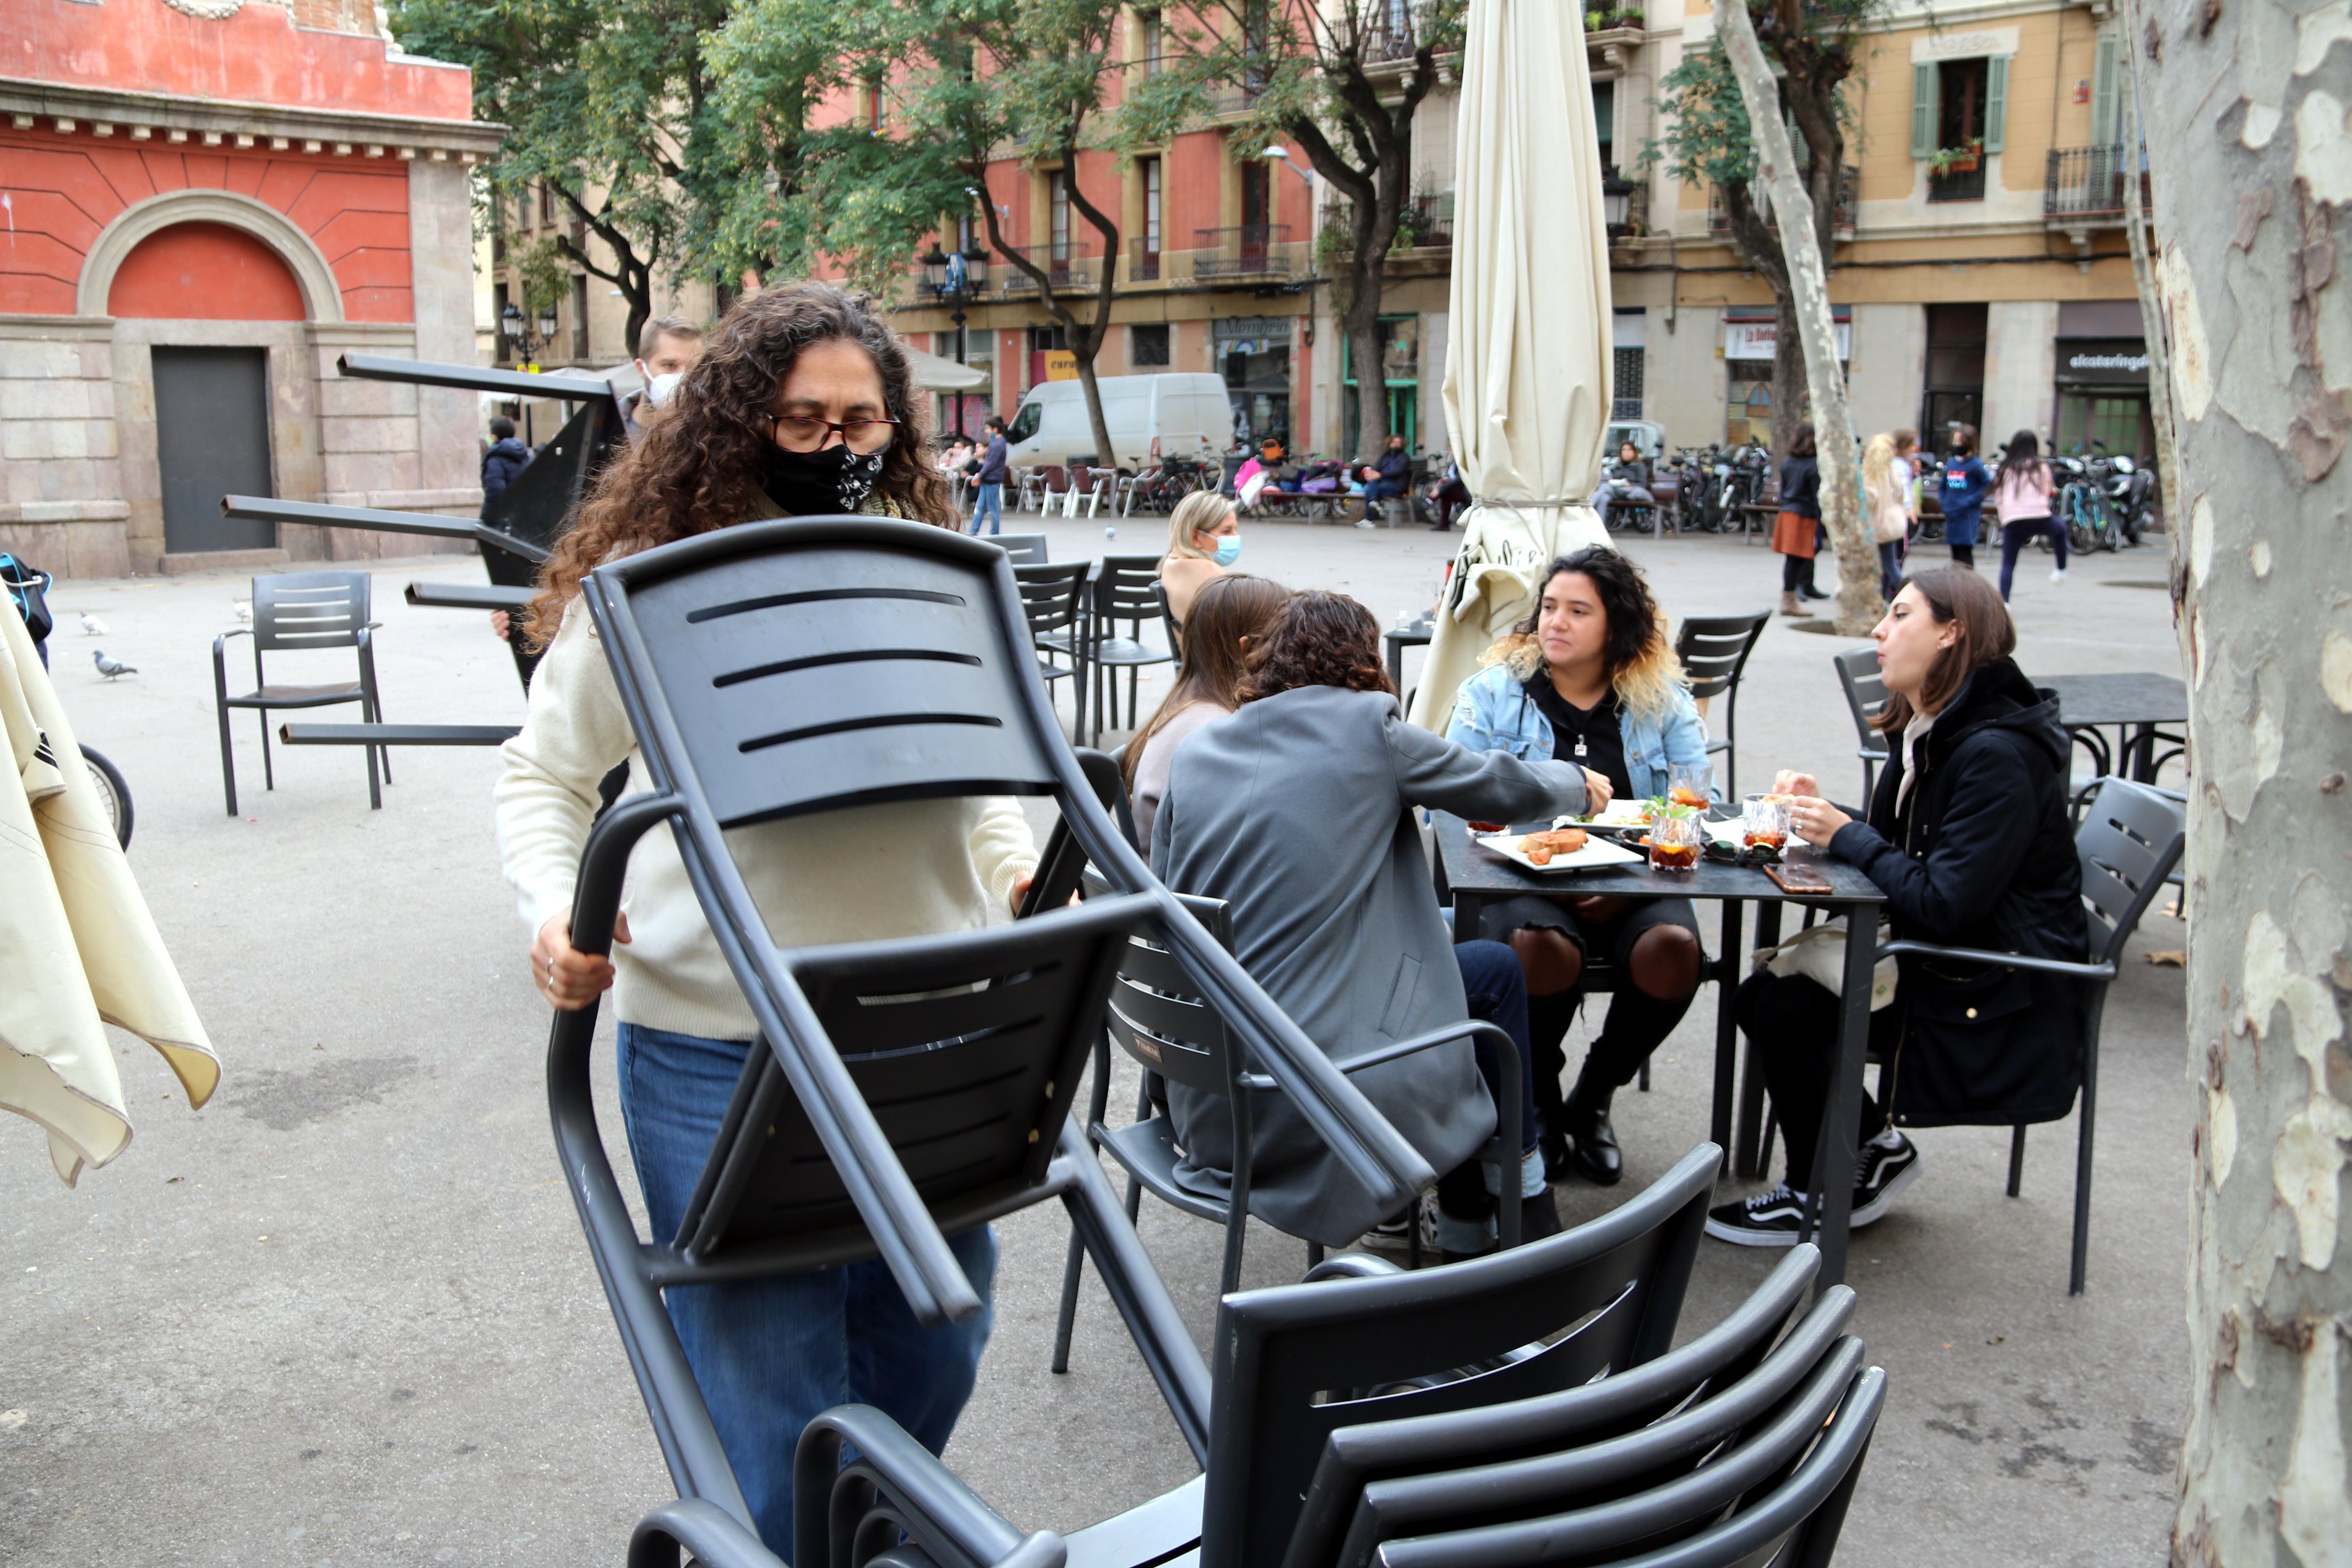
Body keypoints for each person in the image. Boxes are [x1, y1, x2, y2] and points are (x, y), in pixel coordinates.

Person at [494, 281, 1037, 1553]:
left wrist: (1010, 865)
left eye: (862, 421)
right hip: (719, 1036)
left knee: (939, 1332)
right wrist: (555, 906)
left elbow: (981, 772)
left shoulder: (923, 568)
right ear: (734, 422)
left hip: (928, 1025)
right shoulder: (653, 584)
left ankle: (860, 1524)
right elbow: (545, 770)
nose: (838, 448)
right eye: (802, 422)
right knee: (768, 1376)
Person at [1153, 591, 1598, 1256]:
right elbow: (1499, 786)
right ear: (1363, 662)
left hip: (1207, 1090)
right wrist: (1578, 782)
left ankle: (1470, 1211)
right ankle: (1512, 1197)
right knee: (1496, 969)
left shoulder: (1198, 748)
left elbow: (1170, 904)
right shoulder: (1368, 727)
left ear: (1269, 660)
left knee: (1447, 944)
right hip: (1312, 1087)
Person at [1707, 567, 2087, 1245]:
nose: (1879, 631)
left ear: (1951, 632)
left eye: (1900, 615)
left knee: (1781, 1007)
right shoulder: (1934, 727)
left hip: (1999, 981)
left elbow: (1944, 904)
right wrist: (1822, 815)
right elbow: (1912, 850)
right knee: (1762, 995)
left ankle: (1817, 1188)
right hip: (1961, 954)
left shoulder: (1995, 753)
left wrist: (1845, 833)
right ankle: (1871, 1146)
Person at [1445, 548, 1710, 1186]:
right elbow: (1453, 808)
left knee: (1675, 951)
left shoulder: (1663, 704)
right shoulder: (1492, 693)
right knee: (1537, 948)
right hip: (1519, 878)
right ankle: (1536, 1097)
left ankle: (1593, 1096)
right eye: (1549, 606)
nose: (1554, 621)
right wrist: (1543, 869)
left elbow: (1690, 811)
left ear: (1615, 625)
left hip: (1637, 881)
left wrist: (1626, 883)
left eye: (1578, 610)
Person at [1121, 573, 1288, 848]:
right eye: (1284, 643)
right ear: (1248, 649)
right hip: (1178, 888)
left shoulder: (1189, 705)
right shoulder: (1217, 734)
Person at [1992, 429, 2063, 601]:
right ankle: (2061, 569)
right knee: (2061, 530)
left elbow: (1999, 497)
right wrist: (2041, 506)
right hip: (2038, 515)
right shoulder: (2041, 465)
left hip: (2013, 519)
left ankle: (2005, 602)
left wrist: (2005, 517)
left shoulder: (2006, 467)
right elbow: (2047, 490)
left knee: (2008, 563)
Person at [1157, 490, 1240, 625]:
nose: (1235, 537)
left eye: (1235, 529)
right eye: (1226, 531)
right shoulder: (1206, 570)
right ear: (1196, 536)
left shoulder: (1171, 562)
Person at [620, 315, 707, 440]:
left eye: (693, 368)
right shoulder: (605, 426)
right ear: (641, 368)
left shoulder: (710, 436)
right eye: (670, 366)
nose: (683, 378)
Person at [1771, 423, 1825, 614]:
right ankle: (1789, 599)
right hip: (1804, 515)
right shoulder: (1814, 465)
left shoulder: (1788, 462)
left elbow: (1784, 489)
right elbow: (1817, 496)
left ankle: (1792, 595)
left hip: (1788, 512)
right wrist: (1822, 521)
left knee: (1794, 558)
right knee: (1798, 557)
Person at [1863, 431, 1913, 600]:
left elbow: (1870, 497)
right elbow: (1901, 493)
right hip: (1894, 522)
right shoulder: (1891, 470)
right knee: (1889, 562)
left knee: (1886, 564)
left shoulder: (1871, 472)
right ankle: (1883, 597)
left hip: (1879, 524)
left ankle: (1906, 594)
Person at [1937, 424, 1991, 569]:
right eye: (1955, 442)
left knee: (1965, 554)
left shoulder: (1976, 465)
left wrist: (1970, 501)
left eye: (1960, 442)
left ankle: (1968, 585)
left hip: (1967, 516)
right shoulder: (1952, 464)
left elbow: (1987, 486)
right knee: (1954, 554)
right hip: (1952, 513)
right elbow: (1943, 485)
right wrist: (1944, 501)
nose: (1957, 445)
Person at [1353, 433, 1412, 527]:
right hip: (1381, 484)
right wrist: (1371, 473)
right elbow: (1376, 467)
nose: (1396, 444)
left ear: (1402, 445)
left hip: (1396, 485)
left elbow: (1398, 471)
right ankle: (1374, 502)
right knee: (1371, 484)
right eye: (1394, 442)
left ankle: (1370, 518)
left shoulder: (1404, 457)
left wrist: (1380, 475)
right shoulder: (1385, 456)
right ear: (1389, 443)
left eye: (1399, 443)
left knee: (1369, 488)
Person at [1599, 440, 1657, 534]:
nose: (1626, 452)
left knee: (1605, 488)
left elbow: (1642, 484)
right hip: (1618, 492)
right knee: (1604, 497)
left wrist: (1629, 485)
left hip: (1633, 492)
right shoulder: (1617, 467)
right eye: (1624, 450)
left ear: (1634, 453)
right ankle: (1600, 527)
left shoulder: (1639, 466)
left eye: (1629, 450)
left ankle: (1588, 507)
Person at [971, 413, 1009, 536]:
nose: (986, 431)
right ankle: (974, 530)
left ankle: (994, 533)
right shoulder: (996, 441)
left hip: (991, 479)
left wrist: (980, 475)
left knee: (992, 508)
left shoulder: (997, 444)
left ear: (995, 429)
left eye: (987, 429)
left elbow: (991, 463)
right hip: (990, 479)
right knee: (981, 506)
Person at [481, 416, 530, 507]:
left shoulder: (495, 459)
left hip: (505, 513)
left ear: (495, 437)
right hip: (522, 510)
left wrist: (486, 516)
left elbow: (495, 492)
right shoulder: (522, 453)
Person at [1428, 451, 1471, 533]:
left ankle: (1430, 501)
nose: (1451, 452)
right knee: (1445, 492)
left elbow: (1460, 479)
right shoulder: (1454, 462)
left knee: (1444, 491)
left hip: (1466, 491)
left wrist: (1441, 489)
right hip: (1458, 488)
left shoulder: (1464, 462)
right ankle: (1444, 524)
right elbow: (1452, 477)